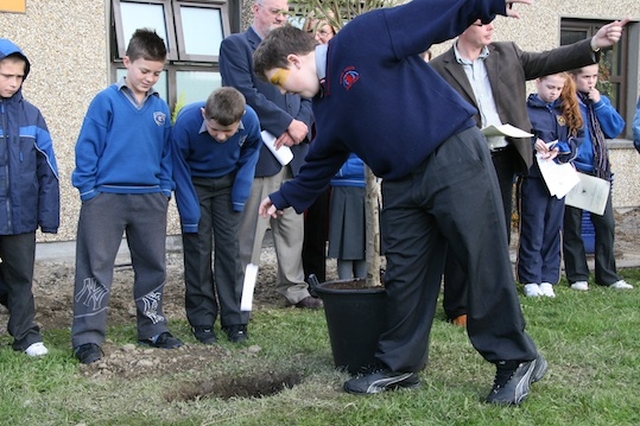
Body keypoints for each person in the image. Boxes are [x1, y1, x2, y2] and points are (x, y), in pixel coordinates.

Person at [254, 0, 549, 406]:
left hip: (451, 157)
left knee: (480, 260)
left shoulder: (360, 37)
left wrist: (490, 3)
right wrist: (286, 196)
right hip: (402, 185)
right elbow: (324, 156)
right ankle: (399, 365)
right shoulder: (326, 102)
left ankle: (517, 359)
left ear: (294, 59)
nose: (283, 89)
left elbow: (435, 14)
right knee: (406, 275)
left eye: (279, 79)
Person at [430, 17, 628, 325]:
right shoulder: (439, 68)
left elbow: (551, 58)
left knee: (497, 234)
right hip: (462, 159)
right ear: (463, 24)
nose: (491, 27)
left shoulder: (507, 53)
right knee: (462, 231)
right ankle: (459, 307)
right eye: (483, 21)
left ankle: (491, 301)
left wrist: (593, 43)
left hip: (501, 158)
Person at [71, 28, 183, 365]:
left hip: (150, 199)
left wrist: (164, 189)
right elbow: (86, 148)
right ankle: (88, 338)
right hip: (105, 198)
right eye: (143, 70)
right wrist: (89, 190)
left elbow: (166, 154)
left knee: (153, 265)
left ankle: (152, 327)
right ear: (126, 63)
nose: (149, 78)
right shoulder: (105, 101)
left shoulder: (161, 108)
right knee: (95, 265)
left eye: (156, 73)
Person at [219, 0, 321, 308]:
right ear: (256, 9)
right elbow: (243, 95)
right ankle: (241, 292)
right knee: (249, 231)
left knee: (292, 228)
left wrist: (301, 124)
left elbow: (308, 90)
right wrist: (286, 123)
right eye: (275, 11)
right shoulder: (236, 46)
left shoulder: (291, 48)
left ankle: (295, 289)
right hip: (259, 154)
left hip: (294, 152)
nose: (281, 17)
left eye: (285, 12)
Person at [172, 87, 261, 344]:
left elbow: (251, 151)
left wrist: (240, 193)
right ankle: (202, 321)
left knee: (230, 251)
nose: (221, 137)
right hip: (194, 184)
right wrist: (189, 213)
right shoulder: (187, 123)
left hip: (228, 184)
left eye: (229, 131)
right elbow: (178, 166)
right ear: (204, 114)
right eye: (214, 130)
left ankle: (236, 321)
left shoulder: (252, 120)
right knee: (198, 250)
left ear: (240, 119)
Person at [0, 39, 59, 357]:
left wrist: (48, 216)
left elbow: (48, 169)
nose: (13, 82)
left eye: (18, 77)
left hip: (21, 214)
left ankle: (26, 335)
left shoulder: (32, 116)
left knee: (21, 276)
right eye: (6, 75)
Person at [563, 63, 633, 291]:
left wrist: (600, 103)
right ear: (573, 77)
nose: (591, 81)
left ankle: (608, 275)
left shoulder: (599, 101)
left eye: (594, 76)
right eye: (585, 77)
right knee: (572, 226)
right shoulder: (566, 102)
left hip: (599, 171)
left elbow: (615, 128)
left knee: (606, 225)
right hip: (575, 170)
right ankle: (578, 275)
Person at [517, 73, 583, 298]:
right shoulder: (526, 109)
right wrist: (534, 143)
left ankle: (548, 277)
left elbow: (577, 139)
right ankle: (530, 278)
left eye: (558, 88)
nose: (554, 92)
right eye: (550, 87)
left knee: (553, 229)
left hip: (558, 178)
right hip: (535, 178)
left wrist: (561, 149)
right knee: (533, 228)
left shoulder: (564, 111)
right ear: (538, 83)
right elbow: (517, 137)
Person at [300, 12, 338, 283]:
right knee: (308, 212)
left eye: (325, 31)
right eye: (313, 31)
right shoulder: (301, 70)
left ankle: (320, 275)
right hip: (305, 147)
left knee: (326, 216)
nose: (319, 37)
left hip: (334, 147)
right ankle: (308, 275)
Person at [328, 153, 367, 280]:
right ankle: (345, 290)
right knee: (344, 248)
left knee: (366, 247)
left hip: (368, 186)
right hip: (343, 185)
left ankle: (364, 290)